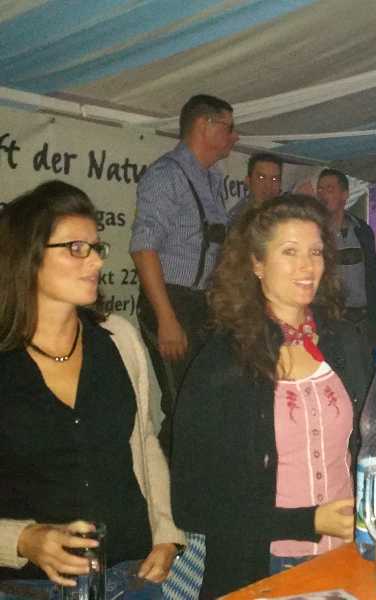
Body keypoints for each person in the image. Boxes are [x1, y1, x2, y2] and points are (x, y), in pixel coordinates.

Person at [170, 194, 370, 598]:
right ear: (257, 264)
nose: (307, 266)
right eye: (290, 251)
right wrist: (308, 522)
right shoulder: (223, 361)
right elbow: (192, 503)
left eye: (315, 251)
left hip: (348, 555)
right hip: (263, 567)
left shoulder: (344, 341)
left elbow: (369, 445)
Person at [0, 181, 184, 598]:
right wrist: (22, 539)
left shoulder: (118, 338)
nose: (97, 261)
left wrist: (166, 533)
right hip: (29, 587)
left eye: (97, 247)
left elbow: (143, 442)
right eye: (76, 248)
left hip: (131, 576)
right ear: (27, 256)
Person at [130, 94, 239, 454]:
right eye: (229, 127)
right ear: (204, 125)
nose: (235, 136)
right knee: (183, 405)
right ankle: (162, 482)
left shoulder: (211, 180)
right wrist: (166, 318)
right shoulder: (167, 174)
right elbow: (143, 247)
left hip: (203, 304)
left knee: (203, 402)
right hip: (172, 300)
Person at [316, 168, 376, 349]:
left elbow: (373, 274)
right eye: (320, 190)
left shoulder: (361, 230)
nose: (323, 195)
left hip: (362, 321)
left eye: (329, 189)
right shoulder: (314, 233)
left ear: (344, 194)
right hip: (329, 321)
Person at [229, 153, 284, 222]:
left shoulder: (285, 215)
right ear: (248, 181)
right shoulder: (239, 218)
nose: (268, 185)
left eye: (274, 179)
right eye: (261, 178)